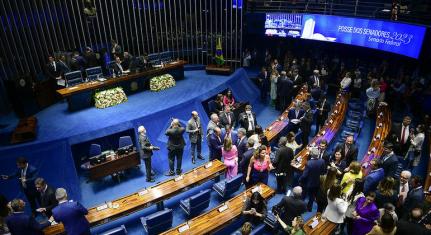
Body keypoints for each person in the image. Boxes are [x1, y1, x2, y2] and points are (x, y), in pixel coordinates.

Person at [299, 147, 326, 211]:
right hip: (316, 182)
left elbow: (304, 175)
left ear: (311, 154)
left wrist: (300, 179)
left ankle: (300, 207)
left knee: (303, 196)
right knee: (312, 196)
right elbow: (323, 172)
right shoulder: (322, 161)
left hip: (307, 183)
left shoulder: (309, 163)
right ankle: (309, 208)